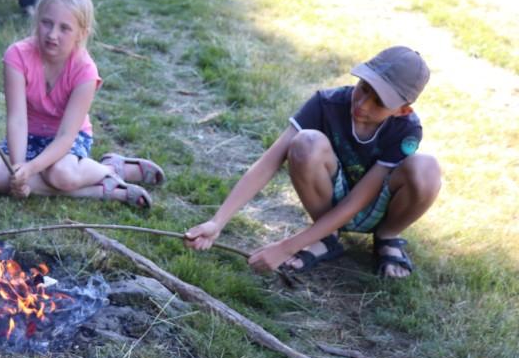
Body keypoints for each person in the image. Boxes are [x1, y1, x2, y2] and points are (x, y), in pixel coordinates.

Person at [185, 46, 441, 278]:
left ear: (403, 110)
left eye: (379, 102)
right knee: (305, 142)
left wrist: (285, 248)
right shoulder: (326, 103)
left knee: (427, 169)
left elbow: (358, 201)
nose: (363, 104)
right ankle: (326, 235)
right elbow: (267, 164)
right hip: (328, 201)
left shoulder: (406, 130)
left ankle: (387, 236)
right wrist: (218, 221)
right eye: (363, 88)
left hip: (374, 203)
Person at [0, 0, 165, 208]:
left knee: (61, 176)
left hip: (66, 139)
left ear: (82, 33)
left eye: (64, 28)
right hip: (27, 135)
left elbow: (66, 136)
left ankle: (110, 169)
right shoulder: (17, 55)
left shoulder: (85, 71)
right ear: (36, 19)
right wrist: (19, 168)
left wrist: (30, 170)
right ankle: (103, 191)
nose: (52, 34)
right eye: (46, 23)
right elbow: (17, 120)